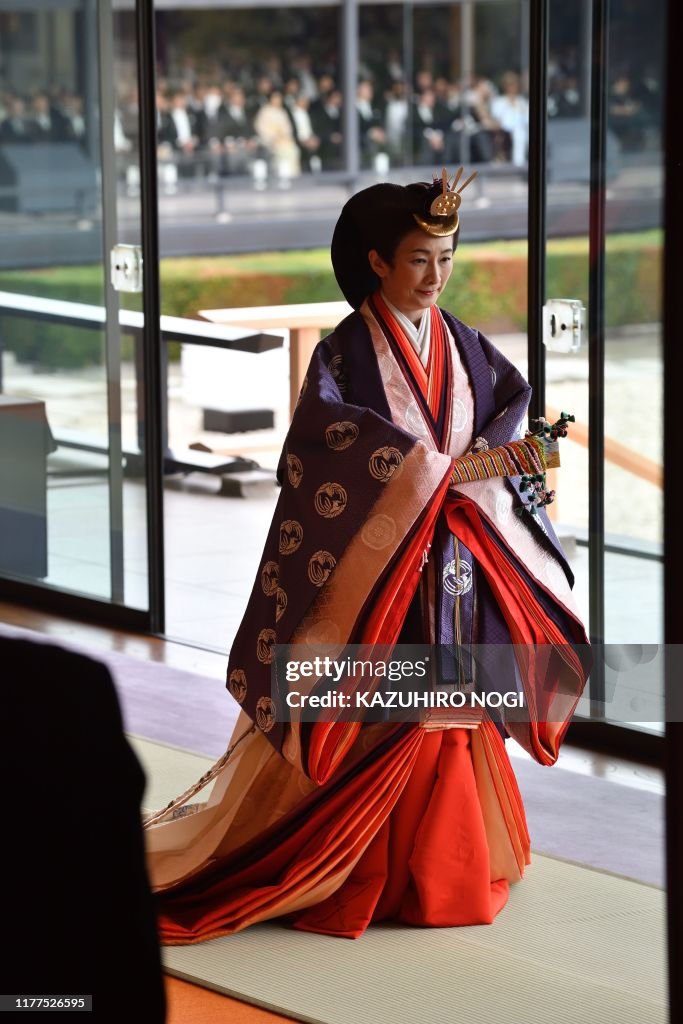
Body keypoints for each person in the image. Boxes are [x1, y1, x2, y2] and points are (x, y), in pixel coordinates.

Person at [144, 170, 589, 942]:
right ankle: (356, 870)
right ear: (377, 261)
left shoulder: (468, 348)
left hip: (453, 554)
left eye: (445, 258)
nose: (434, 277)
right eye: (418, 259)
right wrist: (439, 474)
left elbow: (504, 413)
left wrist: (493, 461)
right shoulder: (345, 357)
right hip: (374, 573)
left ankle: (441, 866)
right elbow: (325, 456)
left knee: (450, 700)